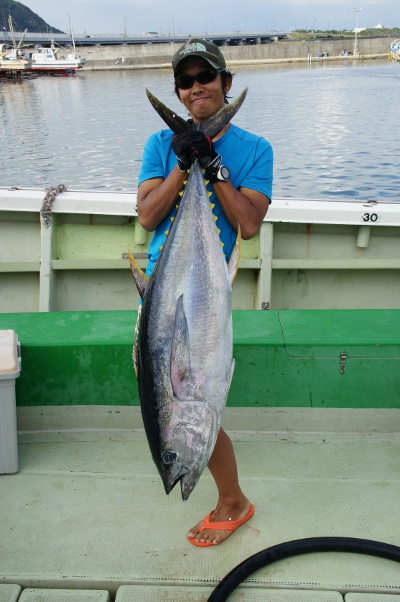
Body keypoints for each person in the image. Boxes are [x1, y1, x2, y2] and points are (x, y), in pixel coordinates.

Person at [137, 38, 273, 547]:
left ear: (226, 83)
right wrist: (182, 160)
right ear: (179, 90)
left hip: (206, 295)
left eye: (206, 78)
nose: (197, 88)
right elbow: (147, 215)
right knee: (166, 396)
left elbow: (249, 224)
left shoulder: (256, 149)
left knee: (190, 396)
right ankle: (229, 494)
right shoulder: (158, 144)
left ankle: (233, 500)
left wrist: (213, 167)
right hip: (157, 296)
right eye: (187, 82)